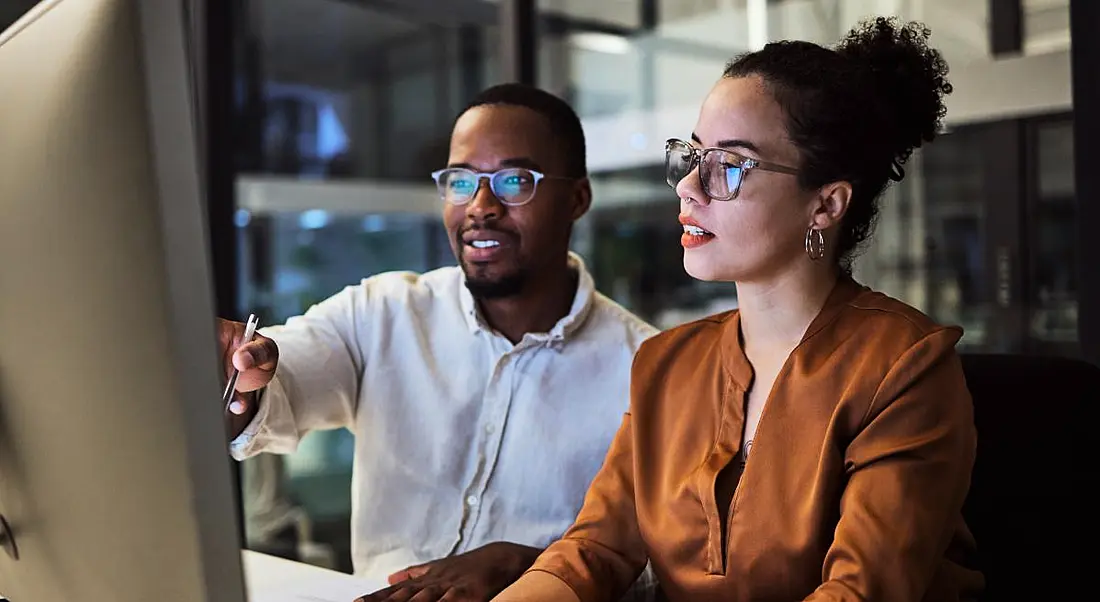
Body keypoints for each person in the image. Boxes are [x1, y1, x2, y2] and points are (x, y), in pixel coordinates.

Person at [495, 17, 983, 602]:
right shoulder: (666, 364)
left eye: (729, 165)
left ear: (825, 204)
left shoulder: (904, 366)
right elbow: (592, 551)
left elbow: (860, 592)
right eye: (691, 156)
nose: (689, 188)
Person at [218, 84, 658, 600]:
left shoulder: (647, 369)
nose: (481, 206)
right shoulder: (381, 312)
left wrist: (534, 566)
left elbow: (661, 570)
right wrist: (240, 372)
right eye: (460, 180)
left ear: (577, 199)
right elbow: (280, 387)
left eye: (515, 181)